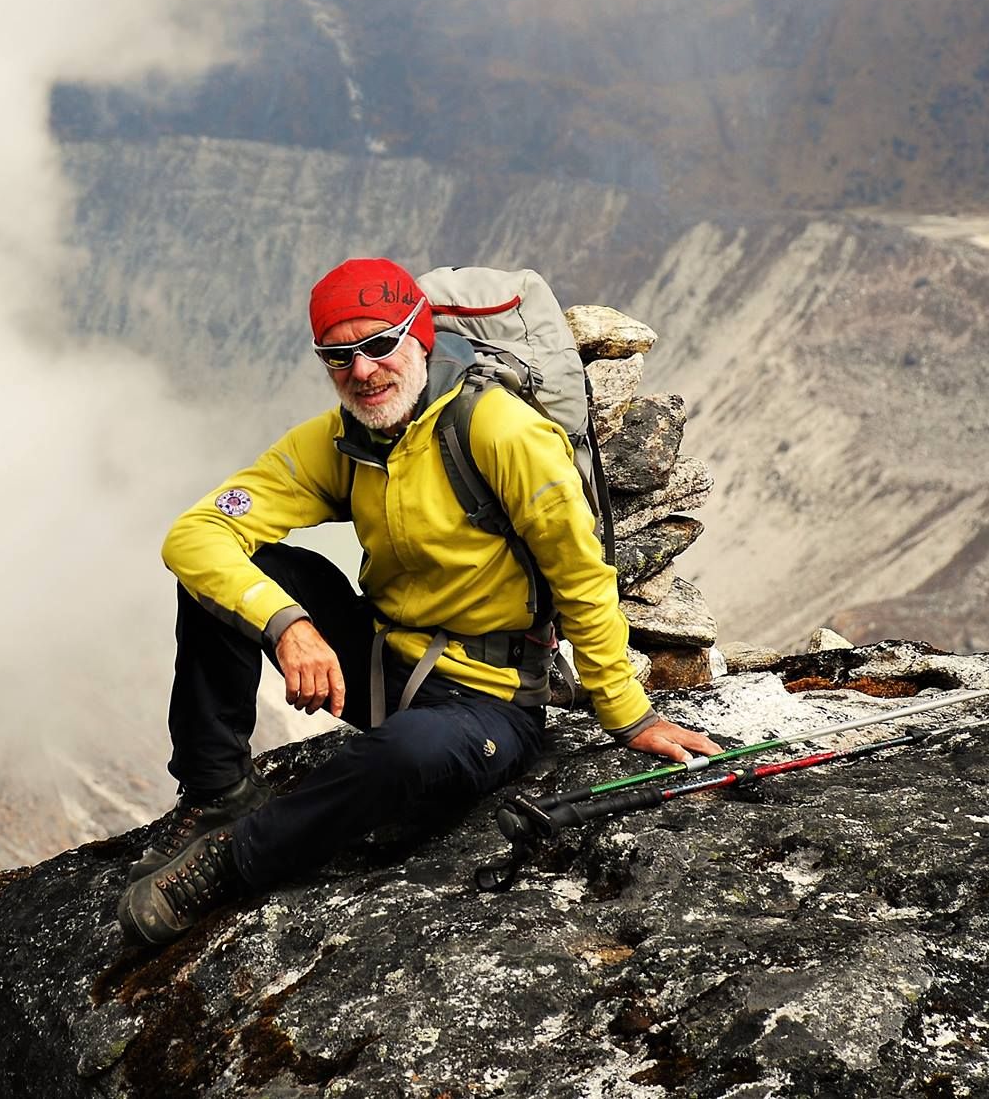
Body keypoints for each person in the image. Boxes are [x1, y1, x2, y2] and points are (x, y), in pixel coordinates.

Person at [118, 257, 720, 946]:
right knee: (234, 572)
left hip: (490, 702)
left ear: (422, 335)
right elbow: (197, 533)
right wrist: (288, 623)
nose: (364, 370)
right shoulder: (343, 440)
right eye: (338, 355)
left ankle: (233, 861)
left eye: (380, 344)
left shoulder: (498, 431)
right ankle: (215, 792)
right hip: (383, 665)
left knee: (406, 753)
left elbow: (583, 576)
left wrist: (628, 714)